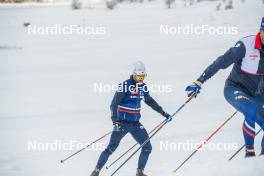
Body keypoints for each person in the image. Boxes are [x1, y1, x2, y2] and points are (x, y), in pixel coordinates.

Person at [186, 17, 264, 158]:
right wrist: (199, 81)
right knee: (252, 110)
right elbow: (221, 62)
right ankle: (250, 153)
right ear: (261, 31)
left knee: (253, 111)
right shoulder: (246, 45)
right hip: (235, 89)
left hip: (259, 95)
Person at [90, 61, 171, 176]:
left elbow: (150, 101)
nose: (141, 79)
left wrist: (163, 112)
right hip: (122, 123)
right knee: (111, 148)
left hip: (135, 124)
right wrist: (115, 119)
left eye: (143, 76)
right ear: (134, 74)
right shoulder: (125, 85)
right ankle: (96, 170)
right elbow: (113, 104)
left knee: (147, 147)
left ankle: (139, 172)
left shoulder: (143, 87)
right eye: (139, 76)